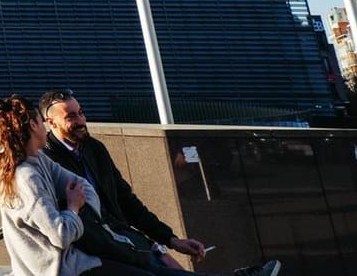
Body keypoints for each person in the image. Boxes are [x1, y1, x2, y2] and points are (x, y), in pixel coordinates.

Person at [41, 89, 280, 276]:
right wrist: (149, 247)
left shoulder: (94, 148)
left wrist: (170, 239)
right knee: (164, 269)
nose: (82, 120)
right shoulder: (49, 161)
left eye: (81, 112)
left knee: (170, 267)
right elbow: (90, 222)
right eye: (71, 116)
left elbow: (126, 201)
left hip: (120, 237)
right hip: (95, 247)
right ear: (49, 123)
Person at [0, 94, 100, 276]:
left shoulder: (39, 159)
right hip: (58, 270)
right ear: (34, 125)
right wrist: (73, 208)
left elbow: (83, 186)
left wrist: (84, 211)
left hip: (66, 263)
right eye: (42, 123)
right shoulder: (26, 178)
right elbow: (60, 235)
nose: (46, 129)